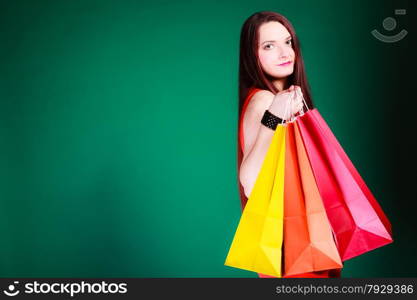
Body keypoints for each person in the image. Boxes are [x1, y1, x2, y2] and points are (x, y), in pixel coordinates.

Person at [236, 11, 342, 278]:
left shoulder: (285, 97)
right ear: (252, 55)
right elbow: (250, 181)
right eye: (268, 46)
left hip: (306, 240)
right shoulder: (263, 100)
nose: (285, 52)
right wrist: (274, 116)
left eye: (288, 42)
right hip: (292, 244)